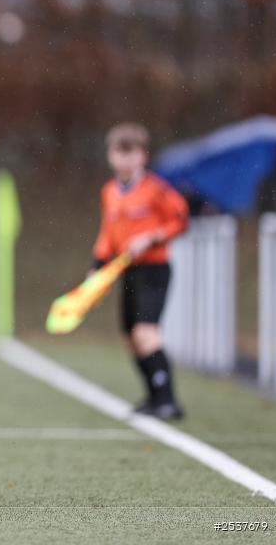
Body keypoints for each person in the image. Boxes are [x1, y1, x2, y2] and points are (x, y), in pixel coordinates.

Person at [92, 122, 189, 420]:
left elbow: (180, 220)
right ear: (110, 155)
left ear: (142, 156)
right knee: (130, 337)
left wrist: (153, 237)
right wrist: (97, 266)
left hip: (154, 269)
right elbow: (107, 234)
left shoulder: (155, 190)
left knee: (145, 333)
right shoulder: (109, 192)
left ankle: (168, 400)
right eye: (118, 153)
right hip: (128, 272)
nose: (124, 159)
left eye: (130, 153)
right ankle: (153, 396)